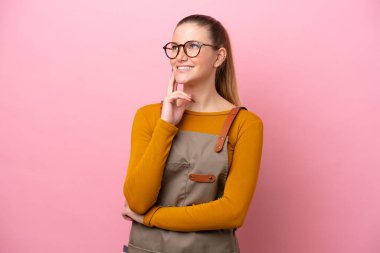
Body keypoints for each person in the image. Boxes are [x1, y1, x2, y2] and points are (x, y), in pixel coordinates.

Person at [121, 14, 264, 253]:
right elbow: (137, 201)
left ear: (219, 57)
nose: (180, 56)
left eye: (193, 46)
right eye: (175, 47)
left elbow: (232, 212)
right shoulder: (148, 116)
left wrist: (150, 217)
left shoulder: (246, 124)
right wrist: (166, 125)